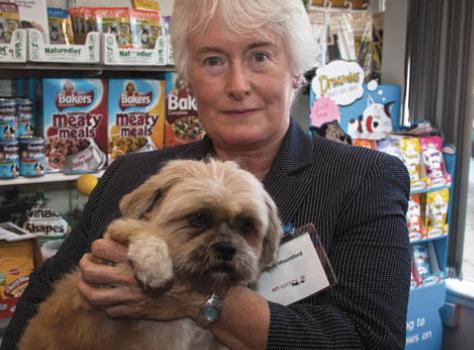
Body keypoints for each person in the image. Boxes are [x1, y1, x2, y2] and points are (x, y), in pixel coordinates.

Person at [2, 1, 411, 349]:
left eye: (260, 56)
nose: (237, 85)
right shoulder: (132, 174)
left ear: (296, 71)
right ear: (189, 78)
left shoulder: (364, 179)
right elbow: (40, 297)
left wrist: (196, 300)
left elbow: (369, 339)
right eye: (213, 60)